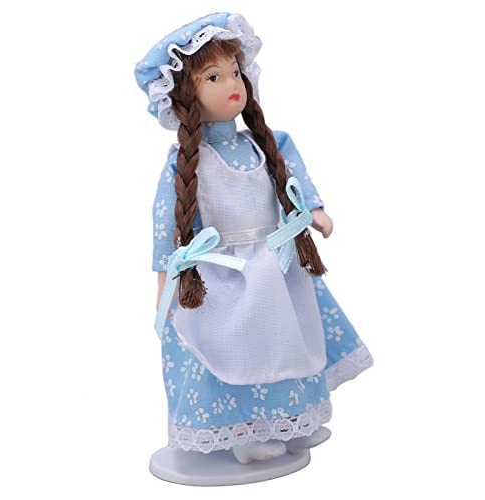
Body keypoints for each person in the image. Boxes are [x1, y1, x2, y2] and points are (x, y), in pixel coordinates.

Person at [135, 12, 373, 470]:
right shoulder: (187, 162)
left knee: (289, 344)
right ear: (184, 94)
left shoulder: (267, 143)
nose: (232, 84)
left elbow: (293, 181)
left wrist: (313, 211)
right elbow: (166, 224)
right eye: (213, 76)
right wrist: (166, 281)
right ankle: (246, 430)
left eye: (235, 71)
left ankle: (295, 419)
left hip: (277, 265)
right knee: (237, 351)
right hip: (223, 278)